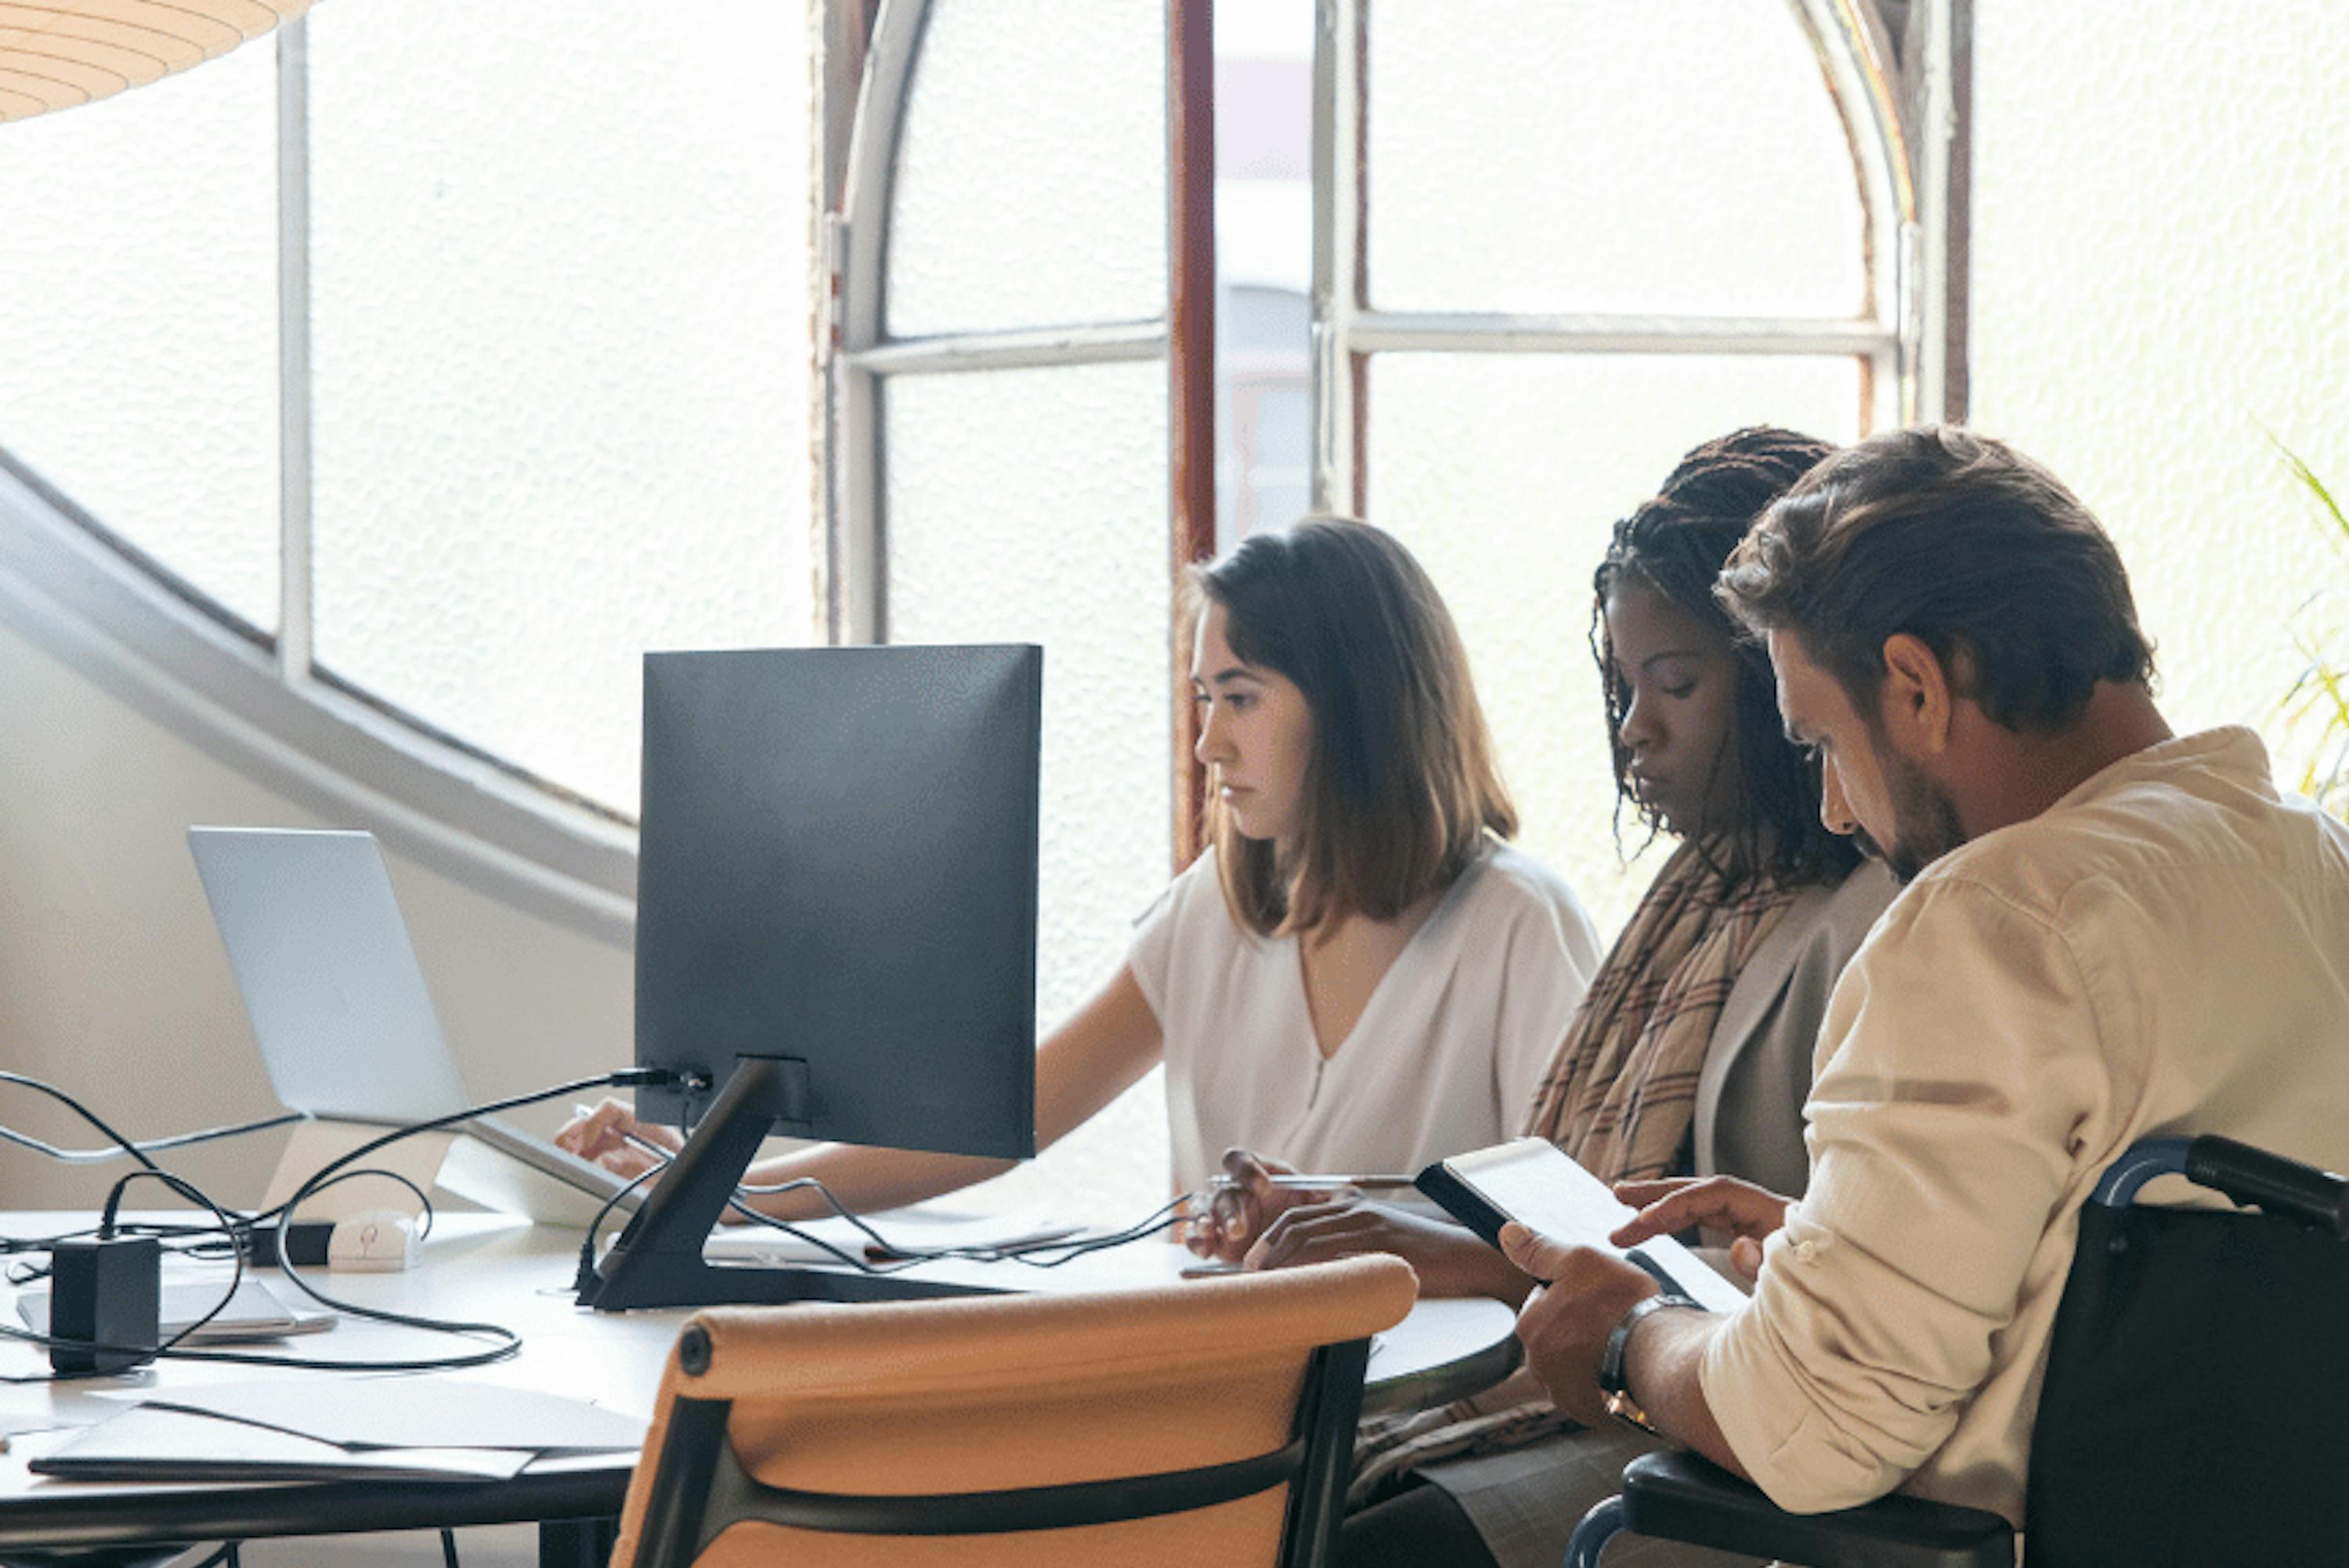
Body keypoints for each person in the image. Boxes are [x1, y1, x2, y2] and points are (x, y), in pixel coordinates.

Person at [1476, 424, 2349, 1568]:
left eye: (1820, 741)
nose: (1831, 807)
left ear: (1913, 688)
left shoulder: (1991, 925)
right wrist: (1830, 1249)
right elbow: (2149, 1330)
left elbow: (1815, 1434)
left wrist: (1626, 1342)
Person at [1191, 428, 1896, 1568]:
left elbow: (1783, 1290)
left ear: (1788, 666)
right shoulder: (1704, 898)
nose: (1636, 731)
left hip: (1717, 1444)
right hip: (1642, 1396)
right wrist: (1362, 1214)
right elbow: (1593, 1208)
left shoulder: (1866, 923)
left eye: (1677, 685)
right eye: (1623, 690)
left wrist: (1452, 1256)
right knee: (1265, 1523)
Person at [557, 515, 1604, 1217]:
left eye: (1241, 696)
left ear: (1360, 701)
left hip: (1409, 1417)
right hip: (1235, 1395)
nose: (1209, 746)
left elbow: (1575, 1231)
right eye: (1205, 699)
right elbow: (999, 1124)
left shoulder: (1515, 925)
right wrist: (711, 1192)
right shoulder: (1219, 913)